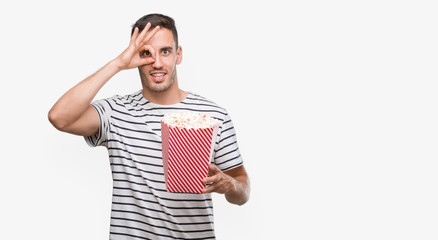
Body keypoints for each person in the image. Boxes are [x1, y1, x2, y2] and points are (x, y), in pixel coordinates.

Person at [48, 13, 250, 239]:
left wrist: (229, 184)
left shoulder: (214, 114)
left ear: (178, 55)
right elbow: (59, 117)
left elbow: (243, 192)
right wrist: (117, 64)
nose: (157, 63)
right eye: (146, 53)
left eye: (165, 51)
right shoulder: (116, 112)